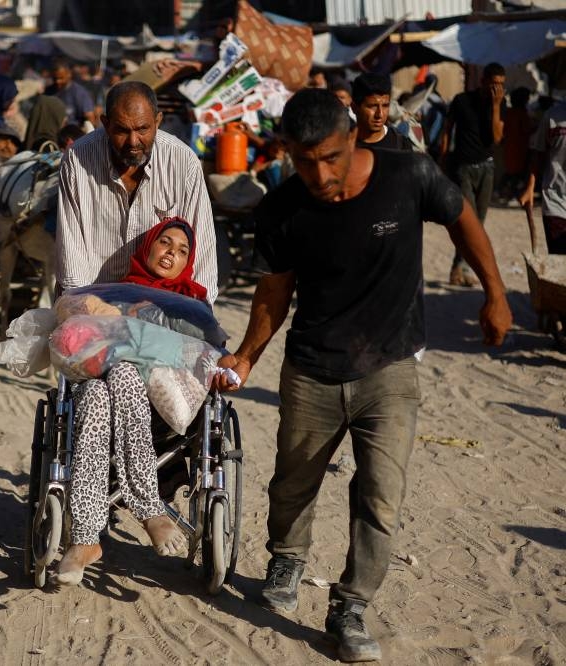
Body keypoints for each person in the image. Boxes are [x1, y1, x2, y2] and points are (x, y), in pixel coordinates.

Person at [215, 89, 511, 662]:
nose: (319, 174)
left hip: (391, 367)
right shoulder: (281, 209)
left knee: (380, 493)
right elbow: (275, 292)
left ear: (352, 137)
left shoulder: (410, 175)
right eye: (303, 162)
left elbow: (463, 220)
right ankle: (288, 557)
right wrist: (248, 354)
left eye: (329, 157)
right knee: (294, 480)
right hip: (312, 368)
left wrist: (495, 294)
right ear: (287, 153)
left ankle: (350, 606)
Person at [57, 217, 206, 585]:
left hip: (159, 410)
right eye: (165, 243)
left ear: (190, 262)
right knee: (91, 393)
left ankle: (144, 506)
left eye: (182, 250)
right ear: (148, 247)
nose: (172, 253)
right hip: (101, 398)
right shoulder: (114, 294)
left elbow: (199, 353)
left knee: (124, 373)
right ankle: (87, 538)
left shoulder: (192, 302)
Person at [57, 80, 218, 303]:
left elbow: (202, 256)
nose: (133, 141)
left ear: (158, 121)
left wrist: (198, 314)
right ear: (105, 124)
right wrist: (87, 316)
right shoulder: (78, 159)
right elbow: (71, 252)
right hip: (93, 303)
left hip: (160, 307)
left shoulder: (183, 162)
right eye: (122, 130)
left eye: (143, 129)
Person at [439, 62, 506, 287]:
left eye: (501, 85)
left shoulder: (500, 104)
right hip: (462, 167)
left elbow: (496, 138)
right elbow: (448, 129)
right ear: (483, 81)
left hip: (486, 168)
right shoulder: (462, 101)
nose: (497, 89)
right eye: (494, 84)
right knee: (469, 221)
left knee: (479, 222)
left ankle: (459, 267)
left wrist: (496, 106)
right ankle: (461, 268)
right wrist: (443, 157)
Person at [519, 94, 566, 254]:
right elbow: (538, 153)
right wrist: (530, 187)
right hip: (555, 202)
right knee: (561, 262)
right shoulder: (552, 117)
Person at [351, 72, 413, 151]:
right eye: (373, 106)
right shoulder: (343, 144)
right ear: (354, 108)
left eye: (385, 106)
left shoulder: (401, 145)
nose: (380, 114)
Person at [498, 86, 532, 202]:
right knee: (516, 174)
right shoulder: (521, 114)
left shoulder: (509, 113)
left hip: (510, 148)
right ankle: (509, 194)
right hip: (519, 149)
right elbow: (527, 130)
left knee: (511, 173)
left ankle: (505, 192)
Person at [49, 58, 96, 127]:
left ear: (69, 74)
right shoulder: (49, 91)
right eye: (55, 78)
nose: (57, 81)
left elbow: (90, 117)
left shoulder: (79, 93)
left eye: (61, 78)